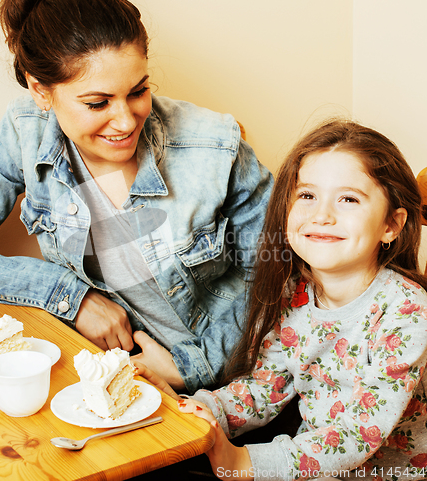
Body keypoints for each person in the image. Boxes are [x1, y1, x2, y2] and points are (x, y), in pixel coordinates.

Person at [0, 0, 273, 394]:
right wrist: (72, 297)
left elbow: (279, 279)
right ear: (41, 90)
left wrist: (188, 366)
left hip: (246, 385)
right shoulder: (21, 133)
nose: (126, 121)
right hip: (122, 387)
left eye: (139, 91)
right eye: (97, 103)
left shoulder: (214, 144)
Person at [138, 119, 427, 480]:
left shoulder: (407, 310)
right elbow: (265, 386)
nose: (321, 215)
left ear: (391, 225)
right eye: (307, 195)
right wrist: (196, 408)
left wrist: (244, 461)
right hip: (308, 465)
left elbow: (359, 433)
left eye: (348, 199)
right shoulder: (295, 293)